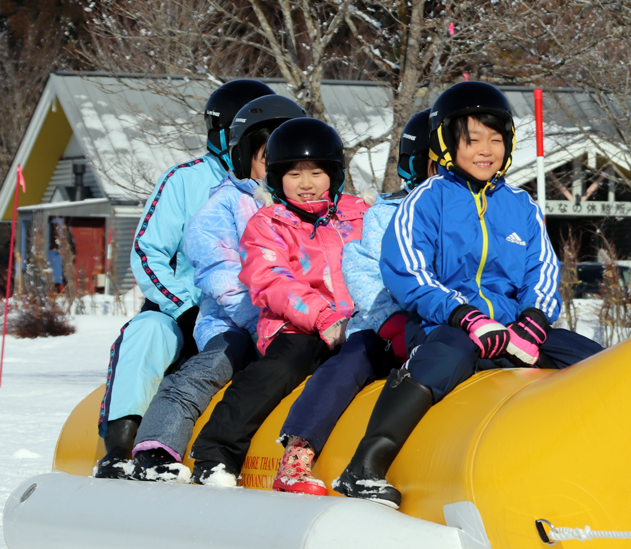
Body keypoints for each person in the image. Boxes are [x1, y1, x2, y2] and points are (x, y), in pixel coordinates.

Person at [333, 82, 604, 508]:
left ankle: (617, 462)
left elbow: (544, 270)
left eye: (496, 139)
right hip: (447, 325)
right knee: (447, 354)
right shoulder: (425, 200)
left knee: (594, 361)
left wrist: (534, 317)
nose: (486, 150)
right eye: (472, 138)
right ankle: (366, 464)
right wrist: (466, 316)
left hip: (515, 326)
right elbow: (408, 272)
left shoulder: (522, 205)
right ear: (445, 144)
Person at [94, 79, 275, 479]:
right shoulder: (186, 180)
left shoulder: (279, 187)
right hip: (185, 311)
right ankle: (121, 445)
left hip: (258, 312)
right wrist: (183, 307)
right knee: (148, 331)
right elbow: (147, 250)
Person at [130, 94, 306, 482]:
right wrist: (261, 324)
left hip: (298, 322)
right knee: (216, 364)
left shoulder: (307, 209)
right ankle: (158, 444)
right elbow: (221, 274)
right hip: (233, 322)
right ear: (245, 157)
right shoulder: (223, 205)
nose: (279, 170)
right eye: (268, 157)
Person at [188, 117, 372, 487]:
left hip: (360, 323)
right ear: (276, 178)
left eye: (317, 173)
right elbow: (272, 279)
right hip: (297, 325)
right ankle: (216, 450)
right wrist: (323, 319)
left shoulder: (360, 215)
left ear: (334, 175)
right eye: (294, 175)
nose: (306, 184)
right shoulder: (269, 223)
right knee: (283, 367)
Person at [272, 109, 435, 495]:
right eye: (434, 165)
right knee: (350, 361)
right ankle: (299, 452)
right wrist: (389, 321)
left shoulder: (481, 214)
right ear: (416, 164)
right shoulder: (388, 213)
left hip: (458, 328)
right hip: (389, 326)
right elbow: (363, 272)